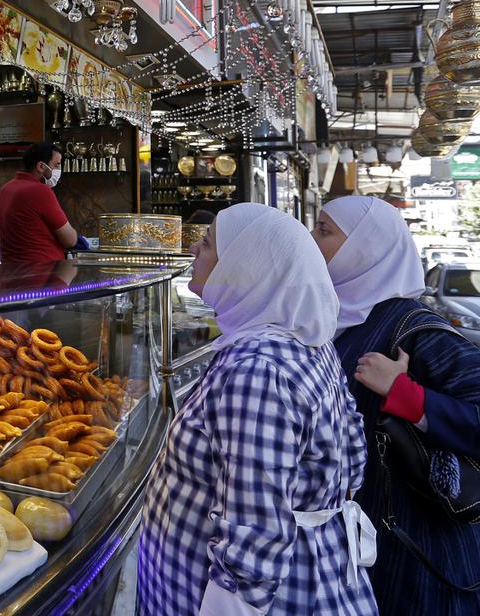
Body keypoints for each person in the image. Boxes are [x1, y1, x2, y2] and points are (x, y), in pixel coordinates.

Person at [139, 203, 378, 616]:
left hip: (231, 598)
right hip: (316, 570)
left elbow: (255, 541)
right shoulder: (307, 339)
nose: (194, 249)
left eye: (208, 243)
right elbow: (353, 458)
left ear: (247, 266)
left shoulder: (256, 371)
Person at [311, 196, 480, 616]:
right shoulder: (341, 318)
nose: (312, 239)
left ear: (366, 249)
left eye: (324, 231)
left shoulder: (417, 329)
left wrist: (405, 394)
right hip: (364, 544)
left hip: (421, 554)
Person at [0, 141, 79, 264]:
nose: (58, 171)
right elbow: (70, 240)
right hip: (42, 272)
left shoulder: (6, 188)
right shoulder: (40, 191)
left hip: (11, 271)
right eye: (56, 165)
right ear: (41, 166)